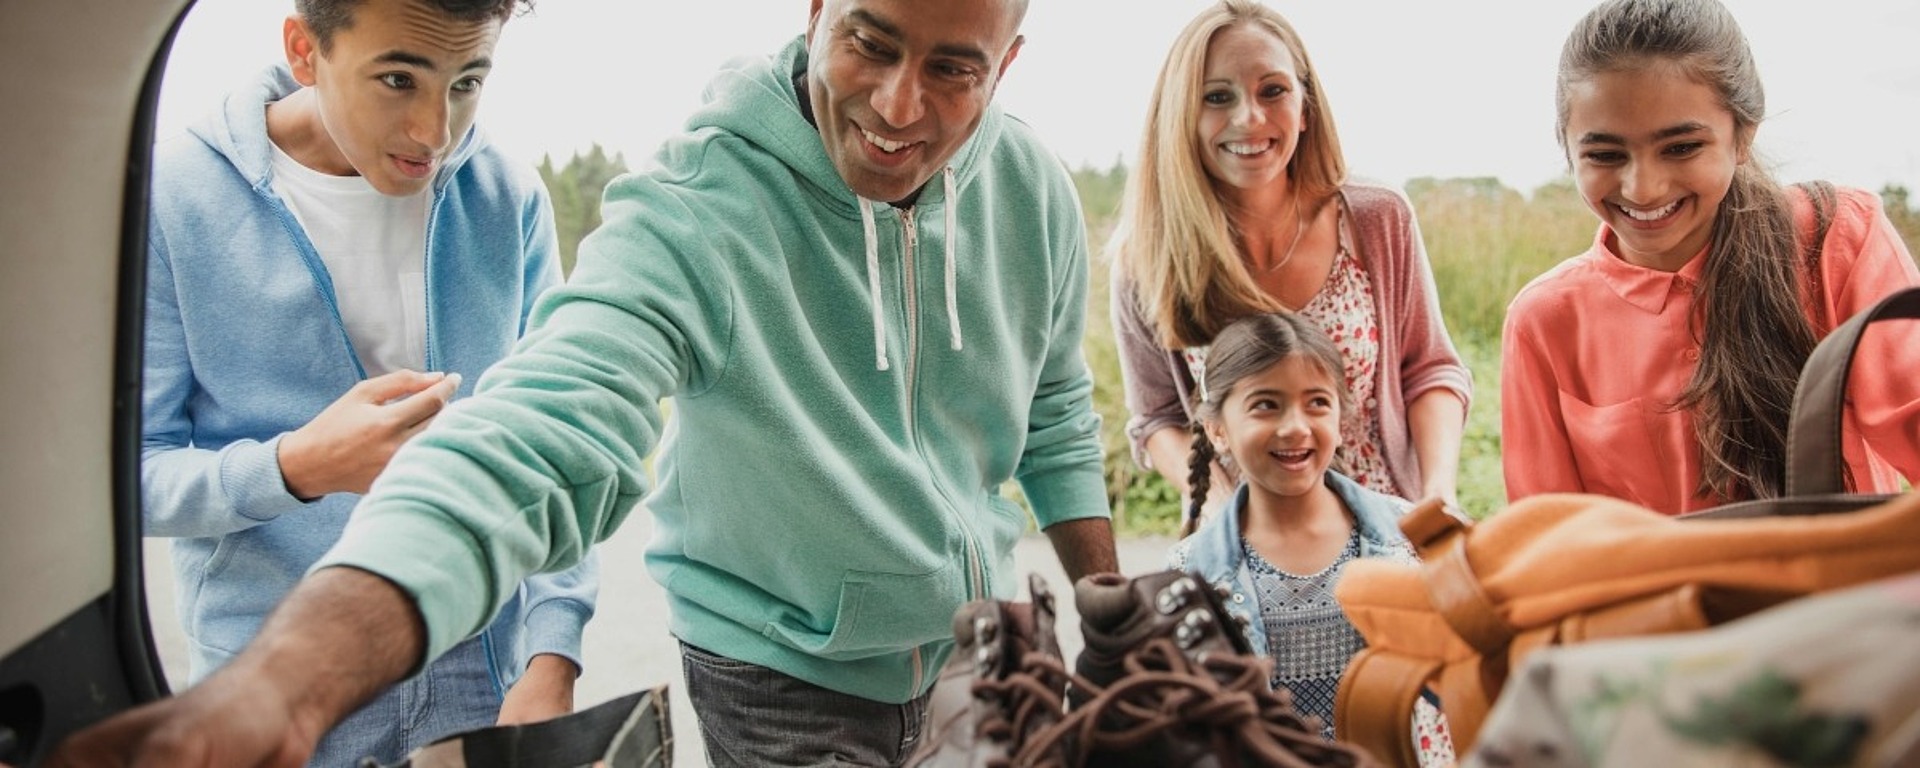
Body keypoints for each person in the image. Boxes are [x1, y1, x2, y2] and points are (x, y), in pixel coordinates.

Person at [55, 0, 1117, 764]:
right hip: (781, 676)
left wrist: (1108, 601)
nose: (900, 104)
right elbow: (545, 431)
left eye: (952, 70)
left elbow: (1056, 410)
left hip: (987, 655)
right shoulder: (697, 206)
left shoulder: (1029, 190)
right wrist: (287, 682)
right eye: (871, 42)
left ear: (1005, 66)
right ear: (815, 12)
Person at [134, 0, 598, 763]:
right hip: (281, 692)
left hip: (481, 688)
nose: (434, 132)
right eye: (397, 80)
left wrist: (552, 656)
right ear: (304, 51)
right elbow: (131, 478)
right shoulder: (173, 199)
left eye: (467, 81)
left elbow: (555, 447)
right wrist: (295, 469)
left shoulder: (505, 198)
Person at [1501, 0, 1920, 514]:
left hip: (1836, 589)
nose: (1644, 187)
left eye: (1681, 148)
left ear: (1743, 135)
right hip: (1656, 595)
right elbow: (1550, 535)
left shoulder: (1836, 237)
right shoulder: (1545, 319)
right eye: (1606, 155)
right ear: (1567, 149)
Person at [1110, 0, 1472, 524]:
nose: (1249, 117)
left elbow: (1430, 369)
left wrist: (1437, 497)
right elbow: (1159, 417)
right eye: (1216, 96)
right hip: (1256, 546)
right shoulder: (1147, 256)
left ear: (1306, 107)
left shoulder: (1375, 217)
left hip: (1391, 531)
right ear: (1181, 116)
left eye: (1272, 90)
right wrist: (1223, 519)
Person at [1164, 312, 1429, 752]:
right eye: (1266, 404)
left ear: (1341, 418)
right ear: (1217, 430)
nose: (1295, 427)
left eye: (1317, 403)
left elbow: (1454, 681)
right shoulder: (1187, 574)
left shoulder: (1408, 538)